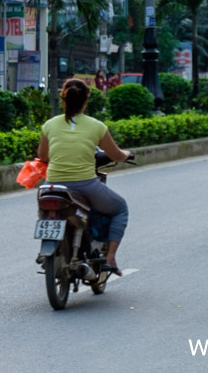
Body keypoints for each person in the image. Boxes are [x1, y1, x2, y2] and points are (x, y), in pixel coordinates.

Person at [36, 77, 132, 275]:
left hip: (52, 185)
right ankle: (110, 257)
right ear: (87, 100)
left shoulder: (50, 125)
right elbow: (116, 155)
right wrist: (127, 155)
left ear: (63, 99)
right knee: (120, 208)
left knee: (45, 205)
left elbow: (43, 156)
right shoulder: (96, 126)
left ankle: (44, 248)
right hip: (85, 185)